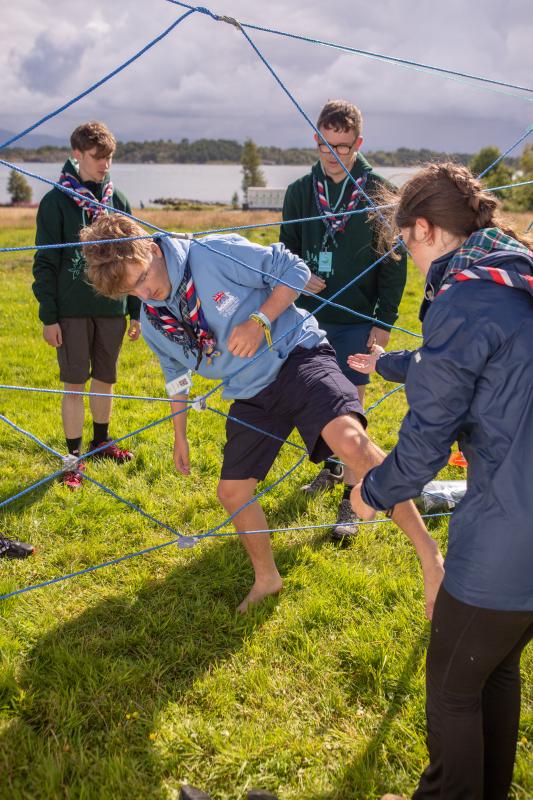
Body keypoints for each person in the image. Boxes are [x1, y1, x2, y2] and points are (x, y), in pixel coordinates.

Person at [79, 213, 443, 613]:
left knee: (352, 442)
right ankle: (268, 578)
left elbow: (294, 270)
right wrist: (179, 435)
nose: (145, 292)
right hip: (250, 393)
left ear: (148, 246)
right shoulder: (153, 320)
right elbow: (176, 376)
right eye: (131, 290)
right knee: (231, 493)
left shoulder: (211, 252)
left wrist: (259, 320)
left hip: (297, 359)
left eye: (142, 276)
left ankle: (429, 555)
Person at [350, 163, 533, 800]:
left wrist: (371, 492)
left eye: (405, 241)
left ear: (424, 229)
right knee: (494, 668)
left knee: (452, 687)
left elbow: (426, 442)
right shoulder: (509, 273)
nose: (408, 255)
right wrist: (388, 363)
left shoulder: (464, 295)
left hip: (511, 527)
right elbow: (461, 361)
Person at [280, 100, 407, 539]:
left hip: (356, 318)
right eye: (324, 146)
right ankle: (331, 468)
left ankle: (350, 503)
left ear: (359, 144)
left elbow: (395, 264)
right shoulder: (299, 192)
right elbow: (286, 250)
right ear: (315, 139)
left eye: (343, 148)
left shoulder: (378, 192)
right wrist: (299, 275)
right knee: (314, 401)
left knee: (351, 407)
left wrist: (384, 321)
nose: (333, 157)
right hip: (309, 318)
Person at [32, 122, 142, 489]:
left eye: (110, 157)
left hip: (112, 309)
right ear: (77, 154)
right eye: (98, 157)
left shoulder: (119, 201)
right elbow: (45, 264)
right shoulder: (55, 202)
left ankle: (101, 440)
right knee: (74, 383)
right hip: (71, 311)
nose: (105, 165)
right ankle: (73, 458)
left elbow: (138, 259)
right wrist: (50, 317)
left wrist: (136, 312)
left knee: (105, 379)